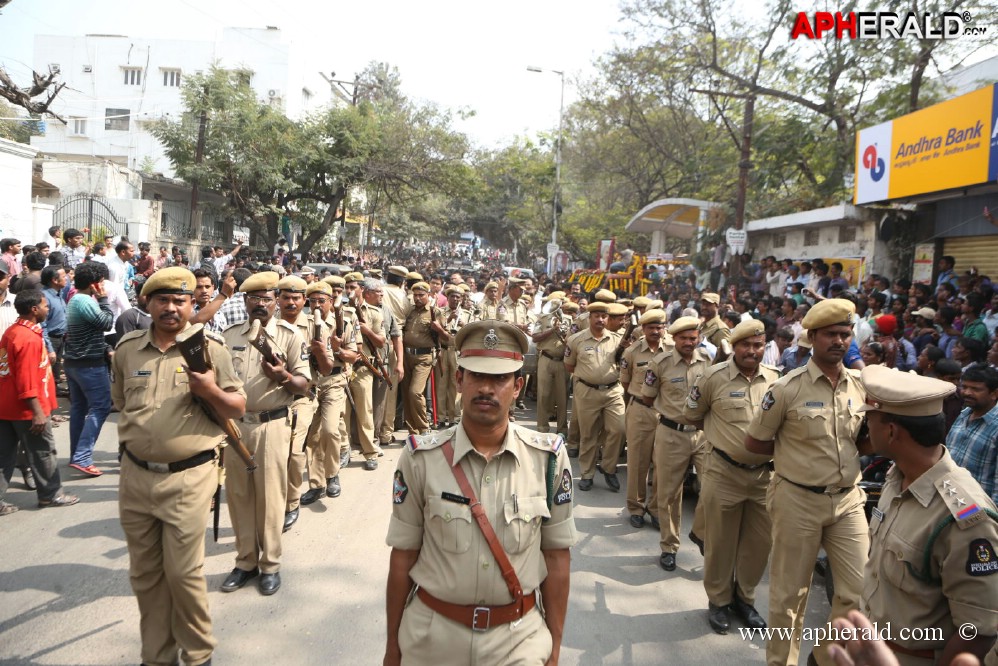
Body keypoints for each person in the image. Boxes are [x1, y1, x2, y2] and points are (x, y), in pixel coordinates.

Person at [383, 320, 577, 665]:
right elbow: (403, 557)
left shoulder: (547, 459)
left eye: (500, 378)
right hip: (432, 637)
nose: (486, 388)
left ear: (517, 386)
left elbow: (557, 559)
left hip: (518, 640)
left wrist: (555, 648)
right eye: (476, 375)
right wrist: (392, 648)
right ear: (459, 380)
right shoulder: (420, 457)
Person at [113, 267, 245, 666]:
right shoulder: (128, 349)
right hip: (135, 476)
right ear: (148, 304)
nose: (170, 308)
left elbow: (238, 406)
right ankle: (156, 656)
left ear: (193, 305)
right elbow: (121, 402)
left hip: (188, 476)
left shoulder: (210, 349)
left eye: (179, 301)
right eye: (162, 300)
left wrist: (208, 389)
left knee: (183, 575)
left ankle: (198, 654)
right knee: (145, 575)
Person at [745, 298, 870, 666]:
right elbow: (755, 442)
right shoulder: (786, 389)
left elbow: (862, 440)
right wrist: (792, 457)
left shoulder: (861, 386)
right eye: (831, 334)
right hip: (797, 499)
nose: (839, 341)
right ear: (812, 337)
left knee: (858, 592)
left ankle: (824, 659)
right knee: (789, 596)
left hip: (848, 501)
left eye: (845, 334)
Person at [857, 364, 998, 665]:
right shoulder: (898, 476)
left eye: (871, 420)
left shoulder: (964, 518)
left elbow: (979, 630)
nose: (867, 428)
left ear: (892, 431)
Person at [684, 319, 779, 634]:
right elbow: (693, 415)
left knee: (758, 545)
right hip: (723, 472)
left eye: (758, 345)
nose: (753, 351)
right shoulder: (712, 378)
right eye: (746, 345)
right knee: (720, 543)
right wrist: (724, 442)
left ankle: (745, 599)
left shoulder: (778, 381)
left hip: (765, 478)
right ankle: (719, 601)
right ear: (734, 347)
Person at [221, 270, 311, 596]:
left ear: (275, 302)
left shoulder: (288, 335)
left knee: (271, 499)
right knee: (239, 497)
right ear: (245, 301)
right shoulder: (229, 335)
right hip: (235, 426)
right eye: (254, 298)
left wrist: (283, 376)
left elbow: (304, 384)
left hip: (272, 424)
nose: (260, 303)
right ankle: (245, 561)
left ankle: (270, 564)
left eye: (266, 298)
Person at [0, 290, 79, 515]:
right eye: (45, 305)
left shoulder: (13, 332)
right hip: (26, 410)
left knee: (4, 456)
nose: (49, 308)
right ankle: (51, 494)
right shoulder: (27, 338)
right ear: (34, 310)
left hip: (6, 406)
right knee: (43, 452)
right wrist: (37, 412)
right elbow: (26, 379)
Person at [642, 315, 709, 571]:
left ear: (699, 338)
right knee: (669, 493)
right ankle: (669, 546)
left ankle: (700, 532)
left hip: (702, 435)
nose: (689, 342)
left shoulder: (708, 362)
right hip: (671, 433)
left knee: (713, 489)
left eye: (693, 338)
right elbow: (648, 398)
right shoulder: (660, 363)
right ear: (674, 339)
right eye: (683, 338)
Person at [564, 301, 625, 493]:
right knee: (588, 433)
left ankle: (608, 467)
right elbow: (569, 366)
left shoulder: (617, 340)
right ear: (589, 317)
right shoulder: (576, 340)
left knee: (618, 430)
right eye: (596, 316)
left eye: (604, 316)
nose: (600, 319)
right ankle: (587, 474)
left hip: (613, 391)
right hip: (587, 392)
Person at [63, 261, 114, 477]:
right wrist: (103, 300)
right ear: (95, 284)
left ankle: (77, 454)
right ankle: (82, 456)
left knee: (79, 408)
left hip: (75, 363)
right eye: (101, 282)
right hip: (89, 365)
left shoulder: (76, 299)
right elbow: (106, 323)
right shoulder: (86, 301)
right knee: (101, 407)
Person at [620, 308, 667, 529]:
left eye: (660, 327)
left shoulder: (672, 351)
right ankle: (636, 507)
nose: (656, 331)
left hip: (666, 414)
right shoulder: (632, 352)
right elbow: (626, 384)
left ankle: (656, 508)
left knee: (663, 464)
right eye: (651, 328)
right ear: (643, 329)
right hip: (640, 410)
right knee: (638, 463)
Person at [401, 281, 450, 436]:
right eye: (415, 295)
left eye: (421, 295)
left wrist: (439, 329)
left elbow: (448, 339)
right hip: (406, 356)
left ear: (428, 295)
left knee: (415, 392)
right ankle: (413, 431)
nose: (417, 298)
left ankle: (424, 428)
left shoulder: (436, 312)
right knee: (406, 395)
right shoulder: (409, 312)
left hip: (424, 357)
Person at [945, 365, 998, 505]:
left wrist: (992, 520)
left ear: (994, 394)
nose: (967, 392)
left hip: (978, 510)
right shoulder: (964, 415)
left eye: (975, 389)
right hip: (951, 500)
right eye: (965, 387)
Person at [532, 291, 571, 437]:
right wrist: (552, 330)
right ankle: (542, 427)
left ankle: (562, 429)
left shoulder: (568, 319)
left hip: (562, 361)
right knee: (544, 395)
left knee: (563, 396)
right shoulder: (542, 319)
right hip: (546, 359)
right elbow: (535, 338)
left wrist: (565, 334)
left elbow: (572, 339)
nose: (556, 306)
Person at [435, 286, 471, 428]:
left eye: (458, 297)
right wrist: (449, 319)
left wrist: (463, 324)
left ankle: (455, 417)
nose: (455, 299)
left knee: (456, 385)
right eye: (452, 297)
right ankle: (440, 417)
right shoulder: (440, 312)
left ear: (461, 299)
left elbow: (472, 332)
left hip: (458, 351)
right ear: (448, 298)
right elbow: (436, 329)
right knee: (441, 384)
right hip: (443, 350)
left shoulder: (467, 314)